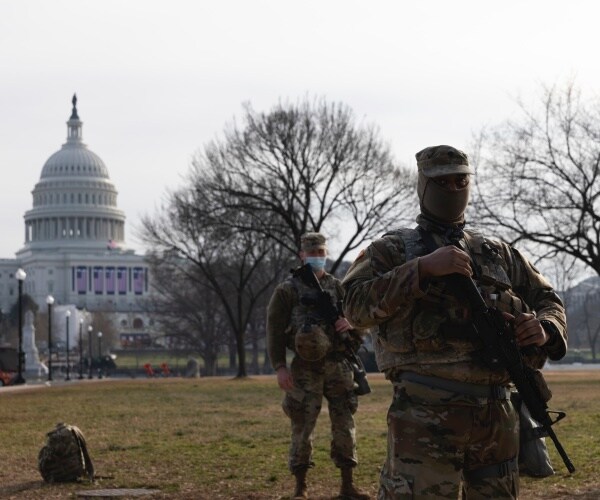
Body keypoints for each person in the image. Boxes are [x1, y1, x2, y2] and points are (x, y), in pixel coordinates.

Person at [341, 145, 567, 499]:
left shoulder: (497, 251)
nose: (453, 189)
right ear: (423, 186)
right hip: (424, 414)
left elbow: (549, 299)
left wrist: (544, 327)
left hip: (495, 413)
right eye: (442, 181)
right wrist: (421, 269)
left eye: (460, 180)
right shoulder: (392, 250)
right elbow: (353, 306)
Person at [267, 232, 370, 500]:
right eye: (312, 253)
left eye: (321, 253)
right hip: (304, 368)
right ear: (302, 255)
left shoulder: (338, 287)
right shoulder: (287, 290)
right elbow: (274, 330)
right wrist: (280, 367)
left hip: (339, 365)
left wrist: (353, 326)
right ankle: (300, 489)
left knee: (345, 424)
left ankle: (347, 486)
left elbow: (360, 319)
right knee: (302, 426)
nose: (317, 257)